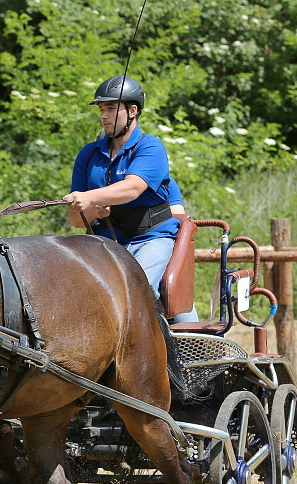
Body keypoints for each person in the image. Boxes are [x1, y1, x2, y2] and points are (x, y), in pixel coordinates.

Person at [63, 75, 197, 322]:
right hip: (107, 241)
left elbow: (132, 188)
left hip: (152, 238)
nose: (104, 115)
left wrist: (91, 197)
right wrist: (94, 210)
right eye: (102, 109)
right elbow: (77, 220)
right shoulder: (88, 154)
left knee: (137, 288)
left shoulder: (151, 148)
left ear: (132, 111)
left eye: (111, 108)